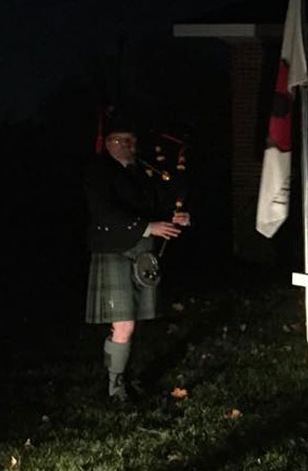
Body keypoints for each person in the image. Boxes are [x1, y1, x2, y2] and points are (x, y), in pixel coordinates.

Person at [83, 113, 189, 402]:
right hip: (114, 251)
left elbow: (153, 206)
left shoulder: (141, 173)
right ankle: (115, 386)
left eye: (134, 141)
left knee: (132, 323)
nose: (131, 146)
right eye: (125, 141)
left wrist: (172, 217)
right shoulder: (99, 171)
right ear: (109, 143)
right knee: (124, 324)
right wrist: (147, 227)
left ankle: (123, 377)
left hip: (141, 252)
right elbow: (104, 213)